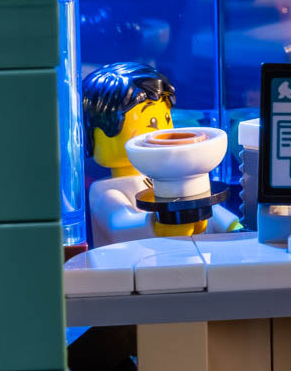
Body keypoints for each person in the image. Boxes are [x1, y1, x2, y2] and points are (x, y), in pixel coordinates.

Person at [82, 61, 240, 246]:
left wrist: (230, 225)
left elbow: (206, 208)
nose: (162, 133)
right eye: (152, 123)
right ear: (97, 132)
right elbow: (119, 224)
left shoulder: (165, 176)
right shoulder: (107, 192)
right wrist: (163, 226)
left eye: (166, 119)